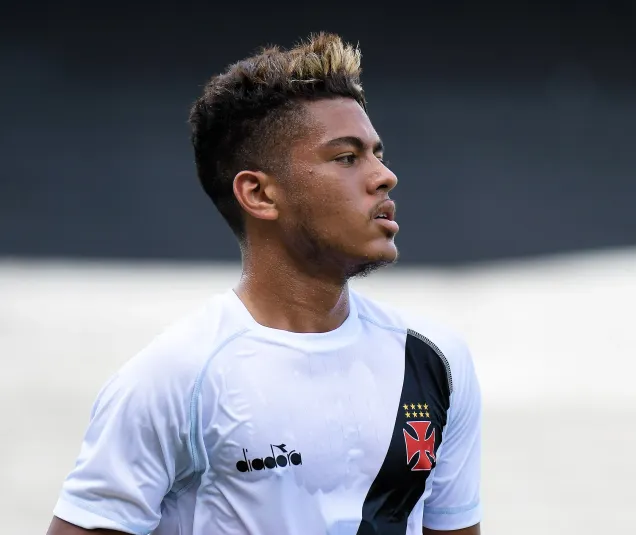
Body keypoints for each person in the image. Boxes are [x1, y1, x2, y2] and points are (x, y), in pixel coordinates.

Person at [46, 32, 482, 535]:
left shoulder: (435, 361)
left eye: (377, 154)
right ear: (258, 194)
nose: (384, 176)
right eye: (347, 157)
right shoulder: (173, 379)